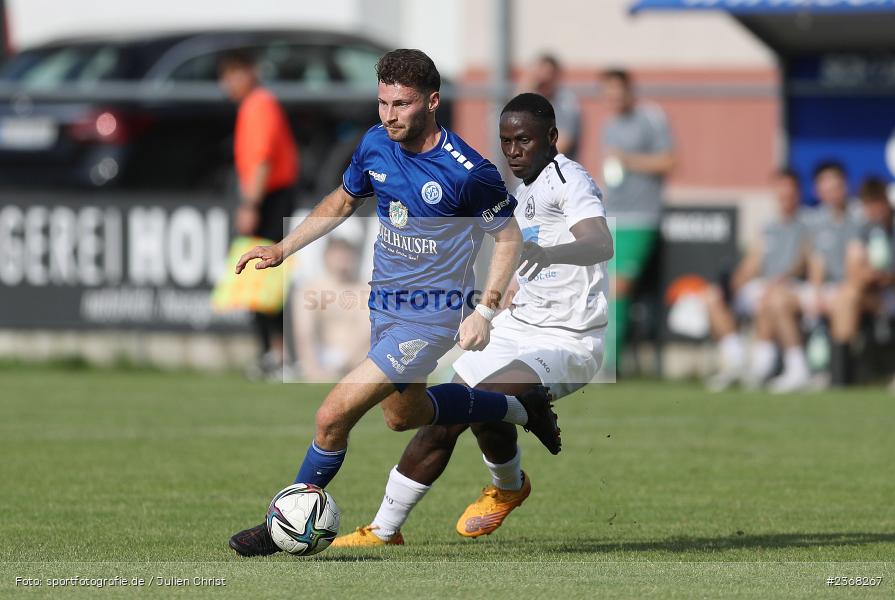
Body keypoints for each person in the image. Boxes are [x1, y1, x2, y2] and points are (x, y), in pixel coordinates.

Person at [227, 50, 561, 557]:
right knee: (405, 416)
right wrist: (282, 248)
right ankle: (518, 406)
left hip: (432, 317)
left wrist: (485, 311)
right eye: (382, 102)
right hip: (384, 307)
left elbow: (509, 239)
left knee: (331, 415)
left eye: (401, 104)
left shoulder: (468, 172)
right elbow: (343, 200)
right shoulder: (375, 143)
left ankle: (282, 526)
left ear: (431, 101)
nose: (389, 115)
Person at [330, 92, 613, 547]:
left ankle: (524, 428)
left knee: (483, 397)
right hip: (518, 327)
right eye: (506, 142)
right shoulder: (522, 191)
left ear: (553, 137)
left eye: (524, 139)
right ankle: (384, 530)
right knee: (448, 415)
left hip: (569, 340)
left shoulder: (570, 179)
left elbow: (600, 243)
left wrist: (544, 252)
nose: (514, 150)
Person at [218, 49, 299, 377]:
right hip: (266, 196)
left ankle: (281, 354)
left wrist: (251, 205)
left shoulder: (260, 104)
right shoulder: (252, 106)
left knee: (268, 274)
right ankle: (269, 352)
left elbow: (263, 161)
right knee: (258, 277)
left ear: (250, 72)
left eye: (234, 73)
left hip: (271, 198)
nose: (228, 83)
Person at [599, 68, 676, 370]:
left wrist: (628, 160)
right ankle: (597, 357)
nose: (614, 99)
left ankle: (609, 363)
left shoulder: (650, 118)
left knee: (620, 285)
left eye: (618, 92)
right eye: (608, 94)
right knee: (602, 287)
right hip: (612, 214)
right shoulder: (609, 124)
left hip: (641, 217)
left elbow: (670, 160)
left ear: (630, 90)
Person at [705, 169, 808, 391]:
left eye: (789, 188)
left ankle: (780, 367)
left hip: (793, 288)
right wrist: (733, 284)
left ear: (797, 191)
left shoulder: (807, 223)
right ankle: (736, 362)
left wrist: (780, 279)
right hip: (766, 285)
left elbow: (804, 261)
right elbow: (753, 261)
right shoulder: (767, 226)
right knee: (713, 296)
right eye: (781, 188)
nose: (785, 194)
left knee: (772, 298)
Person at [765, 160, 860, 393]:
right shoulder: (814, 221)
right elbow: (814, 259)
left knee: (846, 299)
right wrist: (815, 292)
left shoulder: (859, 217)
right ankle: (797, 370)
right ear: (818, 191)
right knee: (777, 299)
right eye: (825, 189)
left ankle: (838, 375)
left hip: (852, 289)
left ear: (845, 186)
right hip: (823, 289)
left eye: (835, 187)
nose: (831, 194)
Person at [828, 177, 895, 387]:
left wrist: (890, 276)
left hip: (894, 291)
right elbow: (854, 267)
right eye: (869, 206)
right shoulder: (863, 230)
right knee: (847, 296)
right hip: (875, 296)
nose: (874, 211)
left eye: (877, 204)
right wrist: (869, 275)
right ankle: (839, 376)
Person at [294, 236, 371, 381]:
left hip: (357, 358)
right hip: (323, 356)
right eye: (337, 254)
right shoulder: (311, 290)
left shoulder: (365, 290)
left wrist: (345, 364)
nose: (342, 259)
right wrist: (313, 367)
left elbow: (367, 332)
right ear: (326, 256)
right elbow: (304, 332)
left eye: (346, 254)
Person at [529, 54, 582, 160]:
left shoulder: (565, 102)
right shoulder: (532, 103)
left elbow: (562, 144)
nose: (544, 80)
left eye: (548, 74)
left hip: (557, 169)